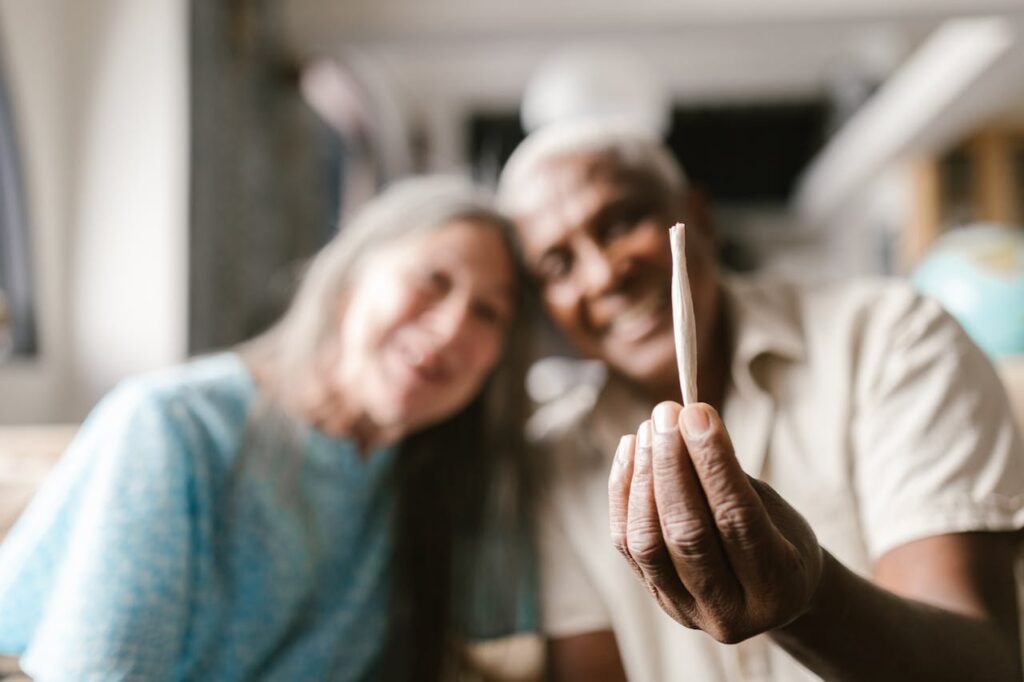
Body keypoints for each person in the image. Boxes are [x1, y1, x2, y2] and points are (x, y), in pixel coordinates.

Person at [497, 119, 1024, 681]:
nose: (604, 275)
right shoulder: (550, 462)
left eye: (623, 221)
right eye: (559, 264)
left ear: (698, 216)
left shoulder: (893, 339)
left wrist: (810, 599)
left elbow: (984, 667)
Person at [0, 177, 538, 681]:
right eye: (433, 280)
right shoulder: (173, 426)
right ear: (350, 282)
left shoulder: (432, 477)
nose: (450, 330)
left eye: (489, 313)